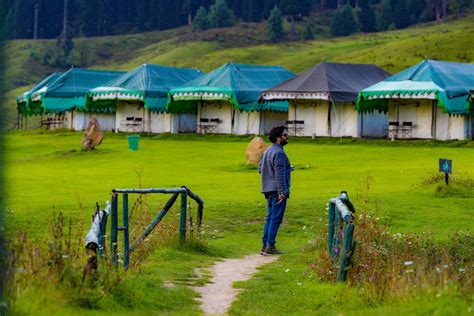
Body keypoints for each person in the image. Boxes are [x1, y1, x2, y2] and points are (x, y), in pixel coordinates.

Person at [258, 126, 291, 256]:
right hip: (277, 191)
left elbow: (261, 169)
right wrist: (282, 192)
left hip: (267, 189)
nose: (287, 137)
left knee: (269, 218)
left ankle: (264, 245)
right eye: (285, 135)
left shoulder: (267, 152)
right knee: (275, 219)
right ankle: (270, 247)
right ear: (278, 138)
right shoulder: (280, 153)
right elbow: (279, 175)